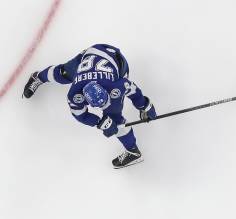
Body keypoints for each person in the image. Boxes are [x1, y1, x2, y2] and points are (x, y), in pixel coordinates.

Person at [23, 44, 156, 168]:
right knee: (62, 74)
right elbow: (80, 115)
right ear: (85, 98)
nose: (106, 104)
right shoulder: (74, 94)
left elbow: (133, 90)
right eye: (100, 105)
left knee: (115, 118)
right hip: (89, 56)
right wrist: (99, 122)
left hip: (115, 61)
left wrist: (145, 105)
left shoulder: (115, 85)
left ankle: (133, 151)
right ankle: (38, 77)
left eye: (106, 99)